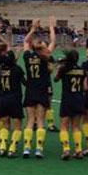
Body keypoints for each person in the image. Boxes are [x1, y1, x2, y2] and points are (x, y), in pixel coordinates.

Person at [22, 17, 56, 159]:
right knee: (41, 120)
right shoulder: (45, 56)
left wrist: (33, 29)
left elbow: (25, 41)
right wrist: (51, 27)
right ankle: (39, 148)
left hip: (30, 90)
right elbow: (53, 42)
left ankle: (26, 148)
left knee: (30, 120)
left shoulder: (28, 56)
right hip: (42, 90)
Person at [55, 50, 86, 160]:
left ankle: (66, 149)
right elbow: (86, 87)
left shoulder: (64, 69)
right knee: (76, 127)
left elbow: (56, 79)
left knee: (64, 125)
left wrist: (59, 67)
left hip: (67, 99)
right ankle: (78, 150)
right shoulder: (82, 70)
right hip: (79, 99)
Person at [0, 51, 26, 158]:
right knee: (17, 126)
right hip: (15, 100)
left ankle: (3, 147)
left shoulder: (0, 69)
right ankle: (12, 149)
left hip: (3, 99)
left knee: (5, 124)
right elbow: (25, 82)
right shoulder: (17, 69)